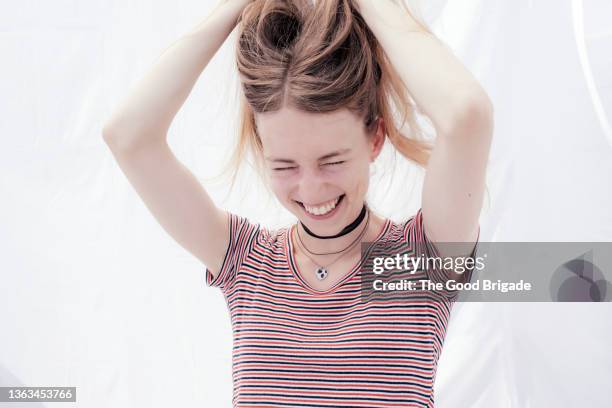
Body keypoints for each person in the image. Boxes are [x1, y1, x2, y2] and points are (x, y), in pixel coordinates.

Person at [102, 0, 493, 406]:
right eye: (285, 166)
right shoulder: (246, 263)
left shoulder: (422, 261)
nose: (311, 190)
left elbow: (466, 114)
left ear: (375, 138)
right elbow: (128, 136)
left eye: (332, 161)